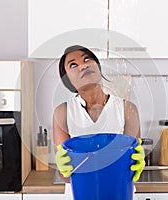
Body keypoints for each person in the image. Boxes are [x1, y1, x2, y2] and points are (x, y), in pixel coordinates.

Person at [53, 45, 145, 199]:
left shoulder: (127, 109)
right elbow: (66, 175)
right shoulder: (62, 112)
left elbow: (131, 167)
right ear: (67, 80)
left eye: (87, 59)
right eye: (73, 65)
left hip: (119, 193)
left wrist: (137, 161)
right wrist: (64, 168)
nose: (83, 65)